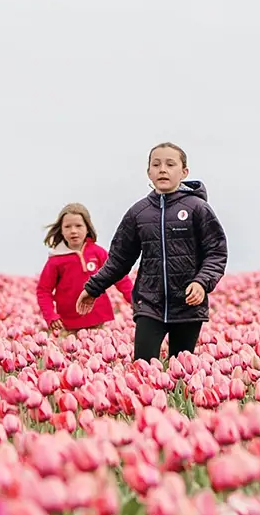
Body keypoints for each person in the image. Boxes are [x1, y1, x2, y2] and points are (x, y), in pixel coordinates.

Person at [78, 142, 228, 362]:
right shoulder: (138, 213)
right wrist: (93, 288)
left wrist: (201, 282)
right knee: (143, 370)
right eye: (156, 164)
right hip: (149, 304)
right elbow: (119, 259)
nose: (163, 169)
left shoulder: (198, 208)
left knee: (183, 374)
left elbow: (216, 253)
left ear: (184, 172)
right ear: (148, 171)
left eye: (170, 164)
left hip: (188, 305)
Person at [34, 203, 116, 333]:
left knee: (99, 351)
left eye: (78, 226)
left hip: (97, 319)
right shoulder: (56, 259)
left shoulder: (98, 253)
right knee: (70, 351)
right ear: (61, 230)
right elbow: (44, 290)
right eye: (67, 226)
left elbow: (118, 275)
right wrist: (50, 315)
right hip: (69, 324)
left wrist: (134, 300)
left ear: (88, 228)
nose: (73, 231)